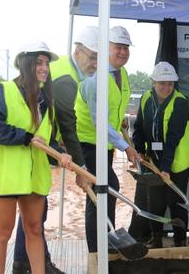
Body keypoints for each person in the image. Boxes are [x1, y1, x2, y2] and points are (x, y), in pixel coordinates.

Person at [12, 27, 98, 274]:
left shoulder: (70, 75)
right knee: (35, 208)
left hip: (41, 143)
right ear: (78, 52)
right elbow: (68, 124)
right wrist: (81, 169)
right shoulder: (66, 79)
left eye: (97, 59)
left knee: (36, 207)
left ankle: (29, 260)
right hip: (32, 145)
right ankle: (26, 263)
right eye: (91, 57)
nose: (94, 63)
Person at [0, 41, 72, 274]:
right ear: (25, 63)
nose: (44, 68)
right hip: (7, 176)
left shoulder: (45, 100)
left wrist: (61, 155)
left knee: (34, 229)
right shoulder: (4, 90)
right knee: (2, 233)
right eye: (39, 62)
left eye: (46, 63)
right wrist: (26, 137)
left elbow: (46, 141)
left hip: (34, 176)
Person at [75, 25, 141, 253]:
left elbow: (113, 108)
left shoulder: (121, 74)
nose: (123, 52)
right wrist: (126, 148)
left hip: (105, 144)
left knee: (106, 190)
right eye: (118, 47)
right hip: (88, 142)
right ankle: (97, 250)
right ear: (106, 48)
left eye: (126, 48)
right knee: (102, 190)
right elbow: (98, 121)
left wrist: (121, 123)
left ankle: (106, 240)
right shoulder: (95, 77)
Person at [130, 62, 189, 248]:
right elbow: (139, 127)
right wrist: (140, 150)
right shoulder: (146, 98)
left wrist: (165, 168)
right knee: (155, 201)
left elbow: (173, 138)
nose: (166, 87)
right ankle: (156, 239)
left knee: (176, 203)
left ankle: (180, 240)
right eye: (161, 83)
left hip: (178, 161)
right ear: (153, 82)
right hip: (154, 159)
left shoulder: (180, 103)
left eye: (170, 84)